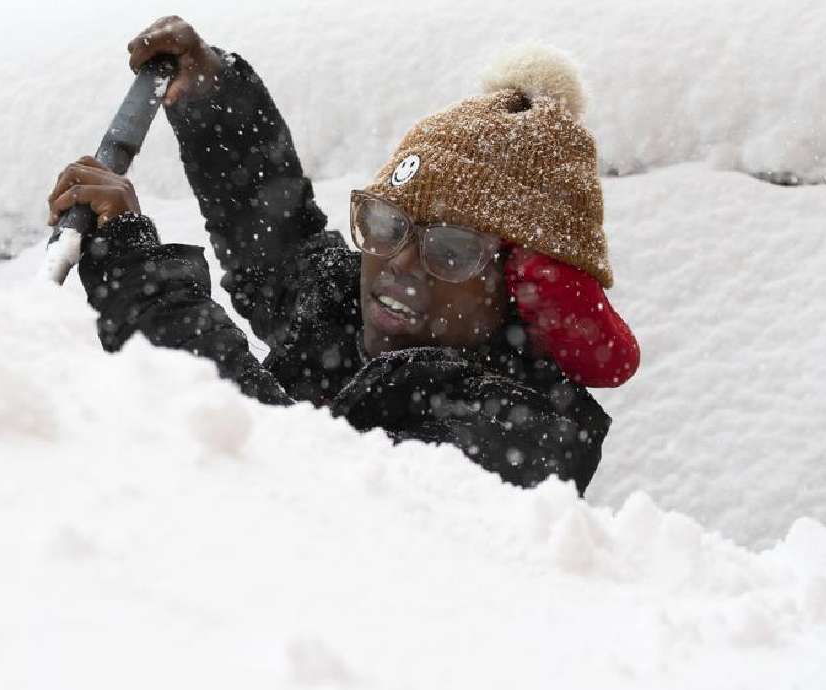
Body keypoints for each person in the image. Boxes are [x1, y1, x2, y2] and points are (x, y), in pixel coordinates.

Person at [46, 16, 639, 494]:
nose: (397, 264)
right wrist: (212, 98)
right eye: (386, 223)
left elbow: (286, 489)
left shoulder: (521, 440)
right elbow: (277, 244)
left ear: (523, 291)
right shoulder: (352, 319)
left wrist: (142, 280)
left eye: (451, 250)